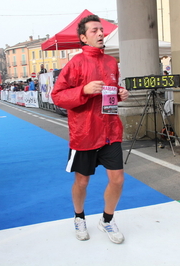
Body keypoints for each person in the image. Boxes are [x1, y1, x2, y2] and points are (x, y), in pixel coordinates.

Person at [52, 14, 129, 244]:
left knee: (118, 179)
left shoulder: (111, 62)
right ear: (84, 38)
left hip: (111, 131)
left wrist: (120, 93)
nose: (100, 34)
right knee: (82, 182)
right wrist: (83, 90)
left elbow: (109, 93)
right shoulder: (75, 63)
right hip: (84, 134)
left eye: (101, 30)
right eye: (94, 31)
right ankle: (79, 217)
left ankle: (107, 220)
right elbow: (57, 96)